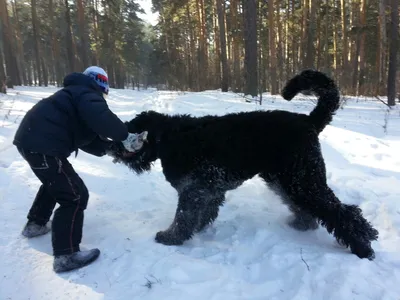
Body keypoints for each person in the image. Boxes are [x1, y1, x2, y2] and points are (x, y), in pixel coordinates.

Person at [13, 66, 148, 273]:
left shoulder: (73, 94)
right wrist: (125, 136)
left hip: (32, 142)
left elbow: (87, 137)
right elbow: (102, 118)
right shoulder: (86, 93)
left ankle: (35, 224)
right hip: (44, 147)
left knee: (56, 183)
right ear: (101, 84)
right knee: (75, 196)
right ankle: (66, 255)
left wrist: (112, 149)